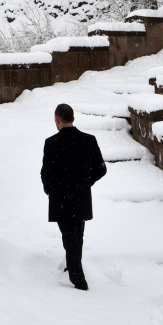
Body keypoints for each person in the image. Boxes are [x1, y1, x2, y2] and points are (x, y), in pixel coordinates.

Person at [40, 103, 107, 290]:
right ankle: (73, 267)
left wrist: (51, 190)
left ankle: (78, 280)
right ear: (73, 119)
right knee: (76, 236)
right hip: (80, 198)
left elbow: (46, 174)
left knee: (70, 237)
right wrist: (85, 182)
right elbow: (101, 169)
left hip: (61, 200)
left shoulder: (52, 143)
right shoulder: (88, 140)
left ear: (57, 119)